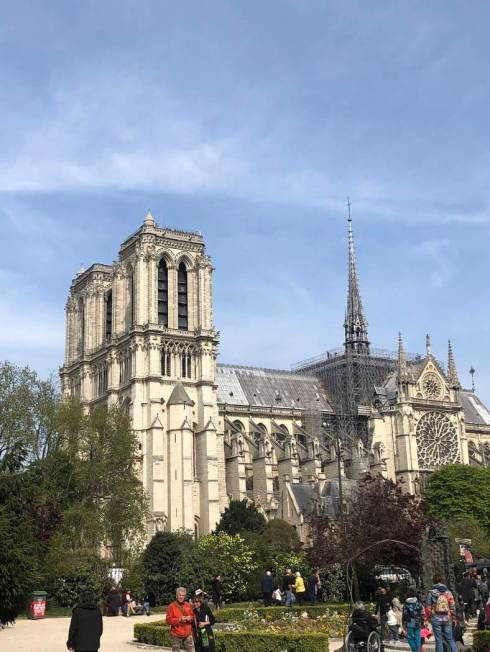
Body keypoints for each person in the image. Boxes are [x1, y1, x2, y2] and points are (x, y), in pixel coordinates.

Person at [426, 574, 458, 652]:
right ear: (442, 581)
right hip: (447, 618)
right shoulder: (448, 592)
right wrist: (453, 617)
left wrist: (429, 618)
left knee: (438, 640)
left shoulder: (431, 593)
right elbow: (452, 605)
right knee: (450, 639)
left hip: (436, 618)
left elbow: (428, 607)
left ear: (434, 581)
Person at [166, 587, 195, 652]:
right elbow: (168, 620)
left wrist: (190, 618)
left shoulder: (188, 605)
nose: (181, 597)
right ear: (176, 596)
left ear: (185, 596)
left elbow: (193, 617)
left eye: (183, 595)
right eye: (180, 595)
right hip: (176, 634)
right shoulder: (171, 606)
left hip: (187, 634)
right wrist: (179, 620)